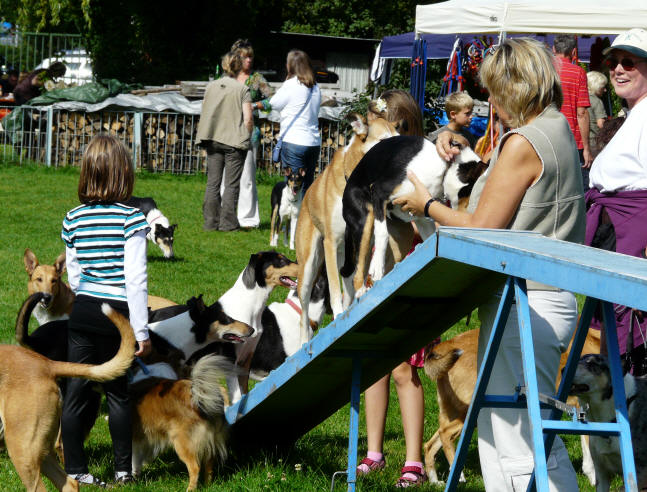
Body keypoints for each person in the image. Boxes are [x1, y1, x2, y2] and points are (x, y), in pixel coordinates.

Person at [393, 38, 584, 491]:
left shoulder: (524, 142)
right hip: (541, 299)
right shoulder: (556, 126)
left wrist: (427, 206)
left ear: (514, 86)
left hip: (526, 305)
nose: (491, 102)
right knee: (505, 435)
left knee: (521, 443)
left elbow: (483, 225)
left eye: (494, 90)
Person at [60, 134, 152, 487]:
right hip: (117, 316)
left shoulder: (72, 218)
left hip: (83, 311)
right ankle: (123, 471)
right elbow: (136, 279)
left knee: (76, 393)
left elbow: (74, 274)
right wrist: (141, 331)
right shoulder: (132, 218)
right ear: (123, 173)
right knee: (117, 394)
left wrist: (87, 296)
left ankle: (75, 471)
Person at [356, 89, 431, 488]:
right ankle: (374, 453)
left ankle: (414, 460)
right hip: (377, 274)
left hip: (412, 278)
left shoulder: (422, 168)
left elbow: (425, 222)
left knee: (404, 368)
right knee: (375, 366)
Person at [586, 28, 647, 376]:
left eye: (629, 62)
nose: (618, 69)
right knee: (616, 332)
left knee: (633, 332)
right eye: (614, 63)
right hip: (615, 235)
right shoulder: (633, 114)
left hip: (633, 241)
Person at [197, 51, 253, 232]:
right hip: (234, 142)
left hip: (212, 138)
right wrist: (247, 136)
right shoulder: (242, 90)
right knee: (231, 185)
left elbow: (205, 109)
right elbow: (248, 119)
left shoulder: (211, 87)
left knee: (212, 183)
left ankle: (210, 223)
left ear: (223, 65)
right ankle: (227, 224)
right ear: (239, 67)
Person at [254, 50, 321, 195]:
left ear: (290, 66)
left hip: (294, 142)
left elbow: (272, 104)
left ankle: (295, 211)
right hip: (314, 143)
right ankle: (307, 210)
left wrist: (252, 105)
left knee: (293, 190)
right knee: (307, 187)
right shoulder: (315, 87)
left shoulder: (291, 85)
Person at [221, 39, 272, 229]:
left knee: (247, 178)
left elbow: (272, 100)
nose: (249, 60)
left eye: (251, 57)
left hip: (250, 134)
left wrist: (255, 105)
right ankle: (225, 215)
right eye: (245, 57)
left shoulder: (257, 79)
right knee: (226, 175)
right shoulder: (227, 78)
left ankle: (248, 219)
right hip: (227, 131)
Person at [553, 34, 592, 186]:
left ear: (553, 49)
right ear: (574, 52)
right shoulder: (578, 73)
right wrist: (587, 148)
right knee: (578, 188)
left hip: (546, 137)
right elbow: (581, 113)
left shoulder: (543, 70)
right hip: (572, 140)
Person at [586, 70, 608, 156]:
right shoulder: (596, 101)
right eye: (603, 87)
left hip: (580, 141)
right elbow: (601, 124)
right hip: (594, 142)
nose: (605, 90)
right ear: (596, 86)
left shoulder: (581, 98)